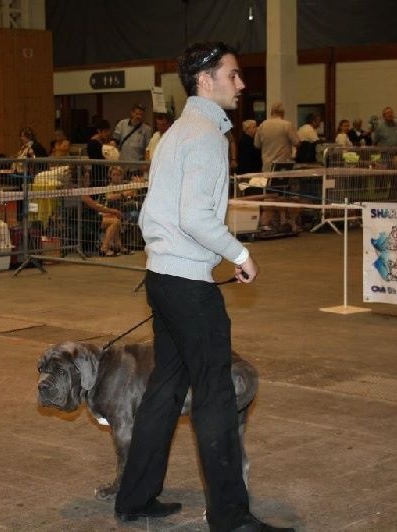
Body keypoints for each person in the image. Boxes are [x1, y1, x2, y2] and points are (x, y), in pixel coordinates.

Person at [114, 41, 291, 532]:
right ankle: (231, 518)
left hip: (162, 277)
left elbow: (160, 210)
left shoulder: (175, 133)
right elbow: (194, 216)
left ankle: (135, 498)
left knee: (166, 387)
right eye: (233, 75)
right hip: (189, 286)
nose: (242, 84)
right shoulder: (206, 136)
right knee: (215, 395)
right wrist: (240, 253)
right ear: (206, 80)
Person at [253, 102, 298, 171]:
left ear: (271, 112)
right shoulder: (287, 125)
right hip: (282, 166)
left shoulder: (262, 125)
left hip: (267, 166)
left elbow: (257, 145)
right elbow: (297, 143)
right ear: (282, 113)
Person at [86, 119, 112, 187]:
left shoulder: (101, 141)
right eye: (105, 131)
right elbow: (101, 158)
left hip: (103, 172)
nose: (108, 133)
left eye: (108, 131)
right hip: (98, 173)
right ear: (99, 131)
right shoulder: (93, 143)